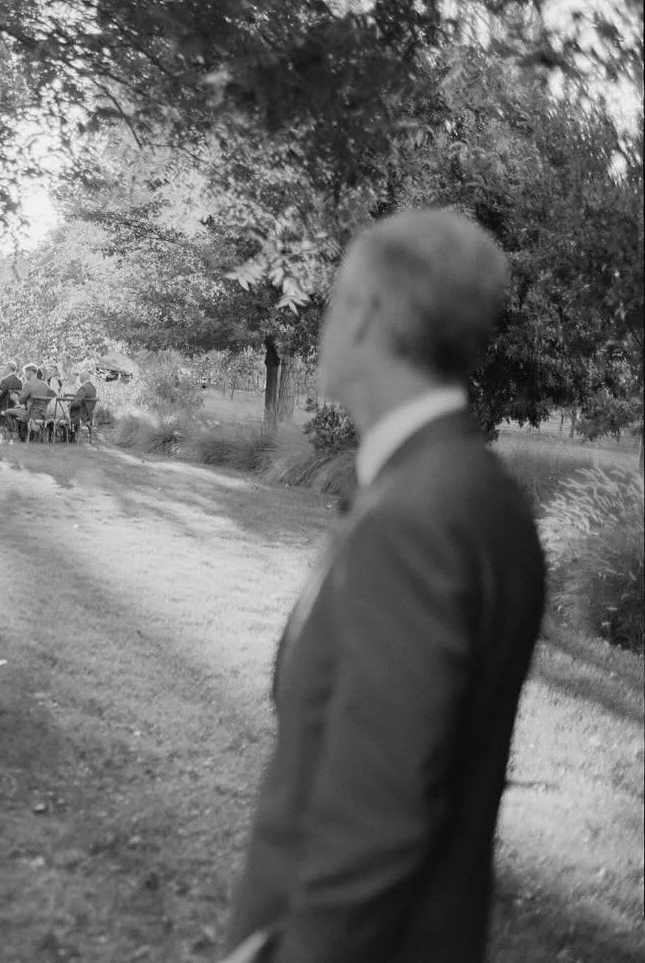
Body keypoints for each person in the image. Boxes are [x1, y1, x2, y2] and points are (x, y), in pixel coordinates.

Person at [222, 209, 545, 963]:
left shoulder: (414, 518)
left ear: (366, 312)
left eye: (334, 298)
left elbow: (379, 812)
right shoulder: (475, 488)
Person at [68, 371, 98, 438]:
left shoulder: (84, 387)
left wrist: (69, 406)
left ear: (82, 378)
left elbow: (76, 402)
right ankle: (72, 434)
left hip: (82, 415)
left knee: (66, 412)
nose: (79, 379)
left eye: (80, 377)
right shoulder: (93, 388)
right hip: (89, 415)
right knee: (71, 410)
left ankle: (69, 434)